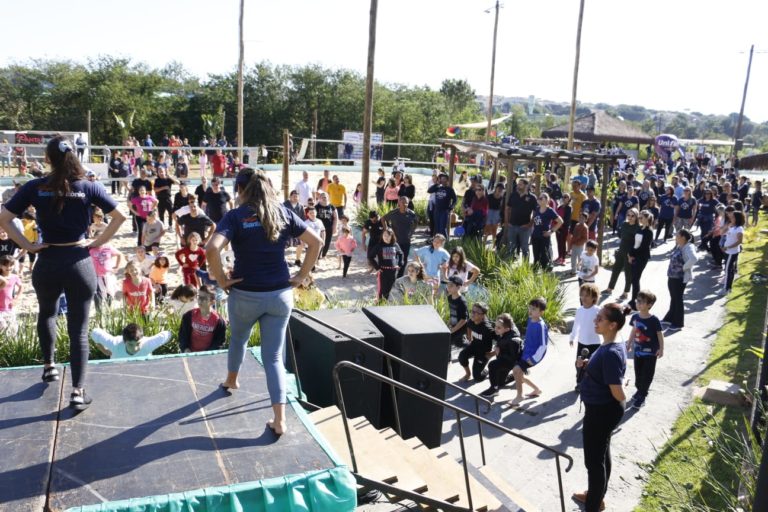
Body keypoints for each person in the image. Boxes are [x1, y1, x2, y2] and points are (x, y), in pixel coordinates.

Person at [0, 135, 125, 411]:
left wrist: (28, 246)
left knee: (47, 313)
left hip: (47, 260)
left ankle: (49, 367)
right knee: (78, 328)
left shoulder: (35, 186)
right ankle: (78, 392)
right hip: (78, 260)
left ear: (48, 158)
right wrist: (97, 242)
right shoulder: (88, 186)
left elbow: (4, 218)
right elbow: (120, 217)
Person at [206, 169, 322, 436]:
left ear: (240, 189)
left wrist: (222, 280)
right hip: (280, 295)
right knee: (273, 358)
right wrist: (301, 276)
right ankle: (280, 421)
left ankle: (231, 380)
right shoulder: (283, 212)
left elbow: (212, 248)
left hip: (245, 294)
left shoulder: (236, 216)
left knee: (239, 339)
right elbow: (315, 243)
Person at [572, 303, 628, 512]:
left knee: (594, 463)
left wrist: (623, 389)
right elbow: (609, 373)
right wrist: (589, 365)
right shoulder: (610, 343)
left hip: (602, 412)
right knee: (602, 454)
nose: (595, 321)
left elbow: (618, 391)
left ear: (612, 325)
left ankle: (593, 505)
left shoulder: (610, 352)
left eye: (600, 319)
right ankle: (597, 497)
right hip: (601, 409)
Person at [626, 290, 664, 409]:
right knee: (638, 374)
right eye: (637, 301)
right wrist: (629, 343)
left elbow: (659, 334)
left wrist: (661, 348)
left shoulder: (654, 320)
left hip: (650, 353)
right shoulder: (635, 317)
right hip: (637, 352)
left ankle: (642, 396)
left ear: (649, 305)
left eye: (642, 302)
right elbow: (634, 330)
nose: (638, 303)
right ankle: (639, 390)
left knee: (647, 375)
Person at [508, 297, 549, 407]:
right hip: (526, 351)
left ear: (541, 312)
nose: (530, 310)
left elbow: (543, 346)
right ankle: (536, 389)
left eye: (534, 309)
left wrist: (533, 359)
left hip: (533, 355)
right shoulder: (530, 319)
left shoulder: (541, 326)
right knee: (518, 374)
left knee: (516, 370)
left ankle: (519, 396)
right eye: (530, 308)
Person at [662, 229, 697, 330]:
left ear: (683, 237)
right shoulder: (679, 245)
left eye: (677, 236)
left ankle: (678, 323)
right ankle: (669, 318)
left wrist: (684, 267)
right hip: (672, 276)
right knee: (674, 298)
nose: (675, 237)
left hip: (679, 278)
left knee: (678, 299)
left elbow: (694, 259)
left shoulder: (689, 246)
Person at [480, 313, 523, 397]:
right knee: (500, 382)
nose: (495, 329)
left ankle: (494, 389)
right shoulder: (504, 331)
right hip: (504, 356)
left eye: (498, 327)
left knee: (492, 365)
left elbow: (512, 359)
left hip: (511, 361)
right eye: (495, 326)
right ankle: (515, 376)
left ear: (507, 329)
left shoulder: (513, 341)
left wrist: (499, 353)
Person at [569, 283, 601, 391]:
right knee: (579, 363)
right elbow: (576, 325)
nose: (584, 298)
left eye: (587, 295)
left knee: (592, 364)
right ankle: (580, 382)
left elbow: (603, 325)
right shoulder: (579, 310)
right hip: (582, 342)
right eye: (582, 295)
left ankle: (592, 383)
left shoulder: (598, 310)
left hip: (595, 342)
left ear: (594, 297)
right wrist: (572, 337)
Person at [603, 208, 639, 300]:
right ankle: (610, 288)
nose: (630, 217)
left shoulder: (638, 227)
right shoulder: (624, 224)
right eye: (628, 215)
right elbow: (620, 235)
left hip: (630, 253)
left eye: (632, 216)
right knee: (615, 270)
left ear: (636, 216)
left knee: (628, 273)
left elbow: (638, 243)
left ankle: (625, 293)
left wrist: (632, 254)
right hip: (621, 250)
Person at [178, 285, 226, 352]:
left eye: (204, 298)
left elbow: (219, 341)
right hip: (190, 353)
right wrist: (185, 348)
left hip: (208, 355)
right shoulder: (189, 316)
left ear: (212, 302)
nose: (200, 300)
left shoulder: (218, 320)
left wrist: (208, 353)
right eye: (199, 297)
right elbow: (183, 335)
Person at [458, 302, 495, 382]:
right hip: (474, 346)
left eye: (475, 312)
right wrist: (469, 337)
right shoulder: (471, 321)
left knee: (478, 377)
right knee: (462, 356)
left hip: (483, 352)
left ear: (483, 315)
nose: (472, 314)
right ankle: (468, 374)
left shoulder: (487, 329)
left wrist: (492, 354)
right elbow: (468, 326)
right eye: (472, 311)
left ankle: (487, 370)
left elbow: (502, 342)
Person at [92, 323, 172, 359]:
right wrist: (105, 350)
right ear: (124, 341)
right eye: (130, 344)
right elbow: (94, 332)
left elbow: (167, 334)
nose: (135, 348)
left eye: (138, 344)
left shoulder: (148, 344)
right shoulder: (114, 344)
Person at [383, 196, 417, 277]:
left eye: (406, 203)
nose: (405, 205)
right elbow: (383, 219)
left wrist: (411, 233)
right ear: (399, 203)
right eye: (403, 203)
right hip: (395, 241)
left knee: (404, 260)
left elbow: (416, 222)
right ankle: (390, 274)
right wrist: (387, 230)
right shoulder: (393, 213)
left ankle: (399, 276)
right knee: (391, 259)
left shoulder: (411, 213)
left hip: (406, 241)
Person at [627, 210, 654, 311]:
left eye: (641, 218)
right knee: (633, 279)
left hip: (641, 257)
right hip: (634, 255)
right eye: (639, 218)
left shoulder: (649, 231)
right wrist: (630, 254)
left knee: (635, 279)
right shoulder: (639, 228)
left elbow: (643, 247)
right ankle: (634, 300)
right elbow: (634, 242)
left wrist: (632, 255)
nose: (640, 219)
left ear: (647, 218)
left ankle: (635, 302)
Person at [504, 178, 537, 260]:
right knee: (510, 247)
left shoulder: (532, 197)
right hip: (512, 225)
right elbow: (507, 208)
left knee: (525, 248)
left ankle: (525, 266)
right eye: (518, 184)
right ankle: (508, 264)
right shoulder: (513, 195)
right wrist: (507, 222)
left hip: (525, 227)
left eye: (520, 184)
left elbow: (536, 212)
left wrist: (530, 224)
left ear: (526, 186)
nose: (518, 186)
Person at [530, 192, 563, 270]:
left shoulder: (549, 210)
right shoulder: (537, 209)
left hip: (544, 237)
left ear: (546, 200)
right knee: (536, 256)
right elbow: (533, 220)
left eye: (541, 198)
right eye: (538, 198)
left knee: (544, 257)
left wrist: (551, 231)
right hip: (535, 236)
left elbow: (560, 221)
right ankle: (535, 272)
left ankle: (545, 272)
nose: (539, 200)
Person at [89, 241, 124, 313]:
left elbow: (119, 254)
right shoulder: (90, 249)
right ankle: (99, 312)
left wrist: (117, 266)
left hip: (108, 275)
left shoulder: (108, 247)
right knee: (97, 293)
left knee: (109, 291)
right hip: (96, 276)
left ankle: (108, 309)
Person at [371, 228, 404, 300]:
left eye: (388, 235)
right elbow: (370, 257)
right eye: (384, 235)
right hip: (383, 272)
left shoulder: (395, 245)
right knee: (382, 290)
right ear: (382, 236)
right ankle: (380, 304)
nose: (386, 237)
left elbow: (400, 253)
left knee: (390, 289)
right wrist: (377, 268)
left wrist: (400, 263)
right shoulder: (379, 246)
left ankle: (387, 304)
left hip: (393, 272)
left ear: (392, 236)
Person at [427, 173, 457, 238]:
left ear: (447, 180)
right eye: (441, 179)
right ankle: (437, 242)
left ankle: (446, 242)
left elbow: (455, 199)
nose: (443, 180)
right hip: (436, 210)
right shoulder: (438, 188)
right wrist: (437, 184)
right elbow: (429, 191)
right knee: (437, 228)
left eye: (444, 179)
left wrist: (451, 208)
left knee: (442, 228)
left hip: (444, 211)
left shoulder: (450, 189)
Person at [722, 210, 745, 295]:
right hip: (727, 251)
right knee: (729, 270)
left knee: (728, 270)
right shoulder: (732, 226)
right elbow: (723, 233)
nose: (730, 218)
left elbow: (739, 241)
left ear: (737, 218)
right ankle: (729, 288)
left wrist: (728, 247)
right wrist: (726, 227)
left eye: (732, 217)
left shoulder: (739, 229)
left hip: (732, 252)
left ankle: (726, 289)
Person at [0, 255, 22, 335]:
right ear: (0, 266)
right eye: (5, 265)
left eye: (11, 265)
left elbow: (21, 287)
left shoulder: (14, 277)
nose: (8, 267)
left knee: (13, 329)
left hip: (9, 307)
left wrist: (16, 298)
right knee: (2, 326)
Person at [445, 275, 469, 347]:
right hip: (454, 325)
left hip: (461, 327)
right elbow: (452, 313)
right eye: (448, 284)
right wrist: (448, 324)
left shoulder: (462, 301)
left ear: (458, 287)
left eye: (451, 285)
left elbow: (464, 319)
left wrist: (453, 330)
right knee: (458, 343)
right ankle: (470, 347)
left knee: (448, 341)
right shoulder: (450, 297)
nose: (448, 287)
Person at [315, 192, 338, 259]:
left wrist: (334, 227)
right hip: (319, 228)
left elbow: (336, 217)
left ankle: (323, 255)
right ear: (319, 198)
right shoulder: (316, 207)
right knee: (319, 241)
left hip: (329, 227)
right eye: (322, 197)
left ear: (328, 198)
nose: (324, 198)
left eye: (325, 197)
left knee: (327, 242)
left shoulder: (332, 207)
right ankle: (318, 255)